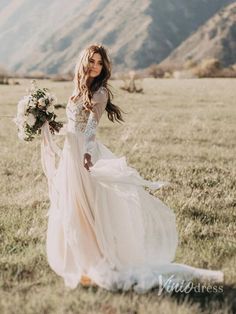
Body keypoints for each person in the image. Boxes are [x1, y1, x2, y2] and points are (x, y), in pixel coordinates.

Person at [40, 44, 224, 293]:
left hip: (83, 155)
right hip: (71, 155)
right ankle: (83, 260)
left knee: (89, 208)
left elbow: (91, 127)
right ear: (83, 62)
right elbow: (73, 126)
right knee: (74, 209)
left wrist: (86, 153)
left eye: (100, 62)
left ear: (104, 67)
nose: (95, 66)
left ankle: (102, 259)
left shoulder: (100, 92)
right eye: (92, 61)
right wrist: (51, 125)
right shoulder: (77, 91)